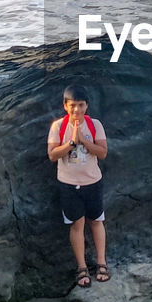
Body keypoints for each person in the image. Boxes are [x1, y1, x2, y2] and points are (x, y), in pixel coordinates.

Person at [47, 84, 110, 288]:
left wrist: (83, 139)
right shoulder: (58, 126)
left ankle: (101, 263)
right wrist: (72, 143)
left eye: (81, 105)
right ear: (65, 105)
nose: (77, 110)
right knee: (77, 225)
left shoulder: (95, 125)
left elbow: (102, 153)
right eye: (73, 105)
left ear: (86, 105)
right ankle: (82, 267)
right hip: (68, 184)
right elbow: (52, 155)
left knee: (97, 221)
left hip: (92, 182)